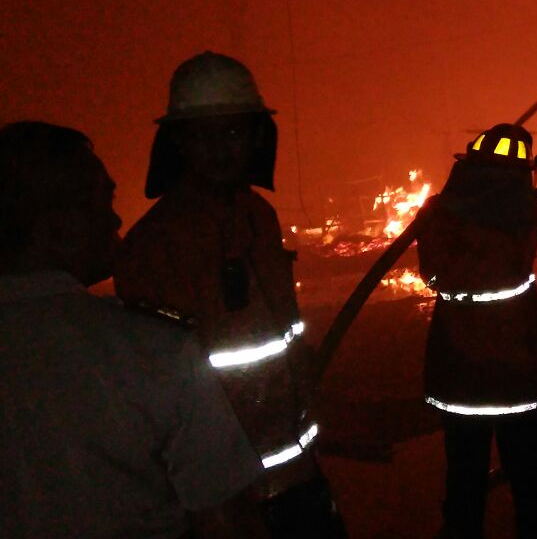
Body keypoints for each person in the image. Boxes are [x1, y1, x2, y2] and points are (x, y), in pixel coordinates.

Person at [115, 52, 346, 537]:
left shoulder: (259, 217)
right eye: (203, 134)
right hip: (224, 494)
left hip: (298, 470)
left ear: (258, 136)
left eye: (234, 132)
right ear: (178, 142)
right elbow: (157, 390)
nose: (221, 149)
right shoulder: (155, 244)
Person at [0, 121, 268, 538]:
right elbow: (226, 519)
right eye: (101, 202)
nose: (116, 218)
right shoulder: (154, 351)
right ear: (57, 226)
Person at [415, 123, 537, 539]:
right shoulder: (525, 217)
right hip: (517, 376)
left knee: (464, 482)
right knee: (528, 483)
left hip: (460, 376)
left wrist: (432, 214)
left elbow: (433, 273)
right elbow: (533, 213)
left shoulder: (442, 219)